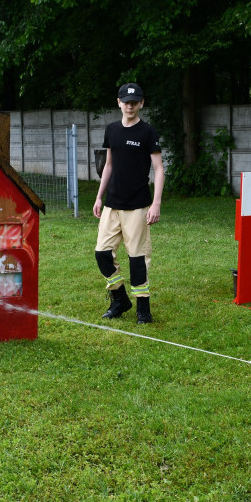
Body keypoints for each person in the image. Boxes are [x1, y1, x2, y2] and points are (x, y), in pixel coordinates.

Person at [93, 83, 164, 323]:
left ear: (141, 103)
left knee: (137, 258)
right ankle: (120, 299)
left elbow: (158, 169)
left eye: (135, 101)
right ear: (119, 103)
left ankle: (143, 308)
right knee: (102, 254)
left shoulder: (147, 132)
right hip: (112, 205)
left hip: (138, 206)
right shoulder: (112, 130)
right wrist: (99, 197)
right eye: (126, 101)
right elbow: (109, 165)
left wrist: (156, 204)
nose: (130, 105)